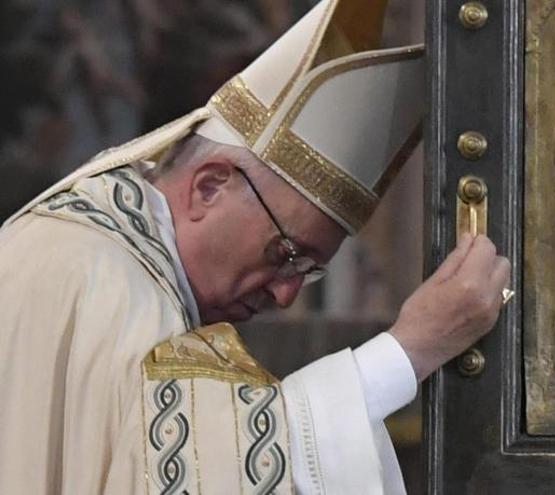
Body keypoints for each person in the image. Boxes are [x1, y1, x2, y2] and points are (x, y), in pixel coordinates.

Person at [0, 1, 511, 493]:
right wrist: (410, 350)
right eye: (286, 253)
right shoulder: (100, 277)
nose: (287, 295)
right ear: (210, 186)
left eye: (309, 270)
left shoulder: (99, 253)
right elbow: (198, 472)